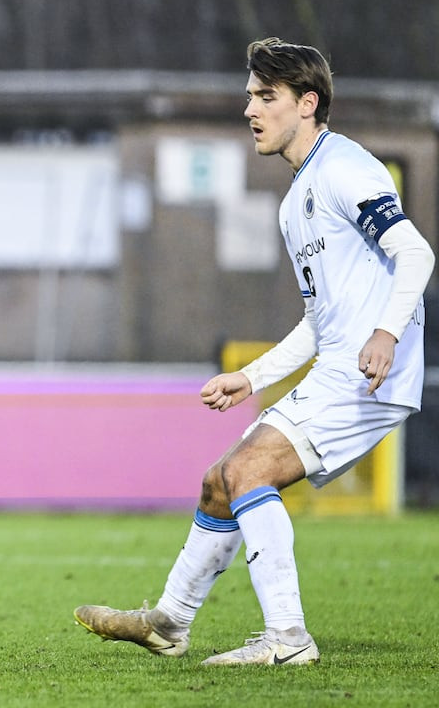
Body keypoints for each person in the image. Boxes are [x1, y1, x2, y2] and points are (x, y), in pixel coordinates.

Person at [74, 38, 434, 666]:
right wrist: (251, 375)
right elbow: (316, 322)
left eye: (266, 97)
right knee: (220, 483)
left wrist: (387, 333)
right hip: (340, 362)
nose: (251, 110)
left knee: (248, 474)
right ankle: (169, 622)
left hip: (367, 371)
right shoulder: (297, 200)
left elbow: (417, 254)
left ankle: (288, 639)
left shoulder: (347, 169)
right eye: (250, 96)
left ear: (308, 103)